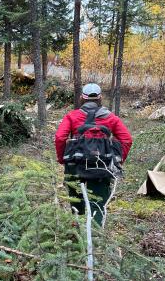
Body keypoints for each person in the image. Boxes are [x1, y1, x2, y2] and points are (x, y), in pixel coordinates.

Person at [54, 83, 133, 225]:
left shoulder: (72, 116)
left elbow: (60, 137)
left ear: (81, 98)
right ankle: (95, 237)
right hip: (101, 166)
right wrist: (117, 161)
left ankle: (76, 234)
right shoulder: (111, 118)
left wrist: (62, 159)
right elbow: (126, 139)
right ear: (100, 98)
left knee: (76, 203)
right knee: (97, 203)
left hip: (74, 165)